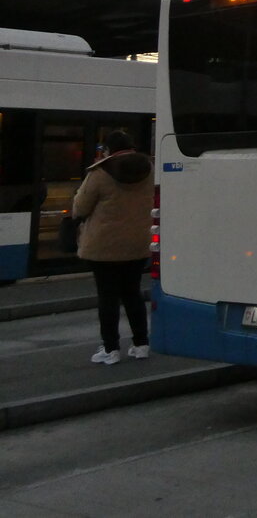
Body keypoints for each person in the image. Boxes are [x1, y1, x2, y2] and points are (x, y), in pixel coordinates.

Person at [73, 129, 154, 365]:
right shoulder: (149, 169)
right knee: (132, 294)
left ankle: (111, 349)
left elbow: (80, 207)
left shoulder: (100, 173)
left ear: (108, 150)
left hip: (104, 248)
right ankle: (141, 344)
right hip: (138, 244)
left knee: (107, 298)